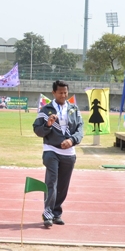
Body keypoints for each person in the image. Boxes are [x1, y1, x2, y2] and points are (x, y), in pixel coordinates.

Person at [33, 80, 84, 228]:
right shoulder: (45, 110)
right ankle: (47, 214)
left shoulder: (74, 109)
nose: (63, 95)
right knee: (52, 182)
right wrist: (47, 125)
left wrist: (72, 140)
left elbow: (80, 129)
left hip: (69, 152)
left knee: (62, 185)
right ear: (53, 93)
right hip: (51, 150)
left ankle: (56, 213)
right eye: (60, 92)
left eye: (65, 92)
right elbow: (37, 130)